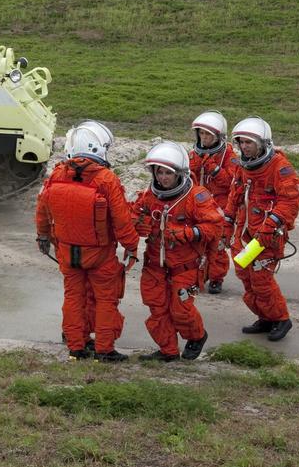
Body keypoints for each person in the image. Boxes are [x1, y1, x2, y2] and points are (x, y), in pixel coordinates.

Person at [35, 120, 139, 362]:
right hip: (100, 254)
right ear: (99, 148)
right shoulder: (106, 179)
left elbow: (42, 210)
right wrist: (131, 246)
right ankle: (104, 349)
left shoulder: (58, 174)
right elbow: (122, 219)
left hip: (67, 252)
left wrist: (42, 236)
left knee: (73, 298)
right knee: (105, 299)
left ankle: (76, 346)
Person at [131, 141, 222, 361]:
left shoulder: (196, 196)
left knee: (181, 310)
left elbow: (215, 226)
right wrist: (138, 223)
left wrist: (187, 233)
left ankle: (197, 336)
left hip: (185, 265)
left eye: (168, 173)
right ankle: (168, 351)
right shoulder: (148, 196)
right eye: (159, 172)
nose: (163, 178)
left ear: (179, 174)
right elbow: (132, 215)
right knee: (157, 309)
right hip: (155, 264)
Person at [224, 117, 299, 342]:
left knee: (262, 279)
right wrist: (227, 224)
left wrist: (269, 228)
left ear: (263, 143)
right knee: (245, 276)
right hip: (245, 233)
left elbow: (290, 201)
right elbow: (235, 194)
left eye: (249, 142)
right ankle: (265, 316)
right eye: (241, 142)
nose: (244, 146)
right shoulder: (243, 166)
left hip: (266, 237)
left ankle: (281, 319)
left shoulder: (280, 167)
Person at [187, 110, 236, 294]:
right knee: (197, 242)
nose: (204, 137)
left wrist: (213, 168)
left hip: (220, 205)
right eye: (201, 133)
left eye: (208, 134)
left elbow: (231, 181)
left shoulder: (228, 155)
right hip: (198, 205)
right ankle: (199, 275)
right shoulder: (194, 154)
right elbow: (187, 178)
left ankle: (216, 277)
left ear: (218, 136)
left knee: (218, 244)